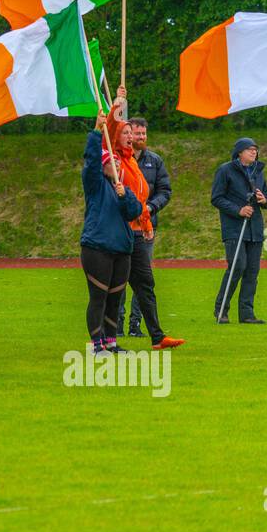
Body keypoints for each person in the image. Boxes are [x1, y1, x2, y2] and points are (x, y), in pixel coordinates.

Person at [106, 98, 184, 350]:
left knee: (145, 283)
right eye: (127, 133)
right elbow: (106, 132)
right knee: (116, 286)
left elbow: (152, 194)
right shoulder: (116, 159)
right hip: (119, 232)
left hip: (139, 232)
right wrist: (116, 106)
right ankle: (109, 337)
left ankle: (157, 336)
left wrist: (148, 218)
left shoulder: (137, 162)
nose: (133, 137)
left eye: (136, 133)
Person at [79, 117, 142, 356]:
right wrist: (96, 132)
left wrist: (125, 195)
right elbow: (93, 159)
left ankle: (112, 342)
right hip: (97, 247)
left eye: (117, 160)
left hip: (121, 249)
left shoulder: (122, 188)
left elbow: (135, 211)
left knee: (116, 299)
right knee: (99, 297)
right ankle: (96, 345)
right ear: (104, 166)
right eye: (111, 161)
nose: (116, 162)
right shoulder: (94, 183)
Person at [116, 114, 173, 338]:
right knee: (119, 277)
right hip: (122, 228)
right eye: (135, 133)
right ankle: (117, 324)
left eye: (142, 133)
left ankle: (136, 325)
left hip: (146, 226)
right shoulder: (118, 160)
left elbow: (165, 190)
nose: (139, 137)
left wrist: (151, 207)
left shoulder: (155, 161)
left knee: (143, 278)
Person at [211, 136, 267, 325]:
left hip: (255, 228)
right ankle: (221, 309)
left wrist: (264, 200)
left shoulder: (258, 171)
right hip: (235, 228)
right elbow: (217, 198)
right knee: (237, 266)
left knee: (252, 271)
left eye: (255, 149)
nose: (254, 152)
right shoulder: (225, 170)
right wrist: (238, 210)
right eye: (249, 149)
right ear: (239, 152)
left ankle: (247, 314)